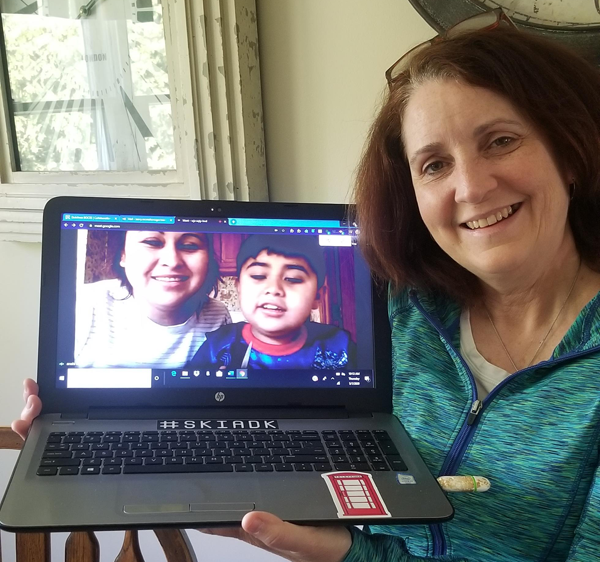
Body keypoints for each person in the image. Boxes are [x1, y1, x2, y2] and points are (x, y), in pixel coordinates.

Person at [13, 9, 600, 562]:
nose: (470, 187)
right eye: (434, 164)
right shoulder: (399, 312)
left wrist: (349, 553)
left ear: (569, 150)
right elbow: (246, 402)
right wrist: (92, 415)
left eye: (500, 140)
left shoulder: (347, 336)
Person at [188, 234, 356, 370]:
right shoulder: (217, 347)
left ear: (317, 297)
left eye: (293, 279)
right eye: (259, 276)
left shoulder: (339, 345)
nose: (274, 288)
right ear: (238, 287)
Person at [75, 230, 231, 368]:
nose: (172, 261)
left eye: (190, 245)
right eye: (152, 242)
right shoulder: (83, 304)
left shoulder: (218, 316)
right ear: (123, 254)